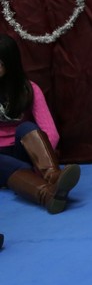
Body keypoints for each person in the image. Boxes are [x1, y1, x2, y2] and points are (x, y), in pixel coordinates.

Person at [0, 34, 81, 214]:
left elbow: (50, 132)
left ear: (10, 64)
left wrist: (38, 165)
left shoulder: (28, 89)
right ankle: (47, 195)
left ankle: (53, 177)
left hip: (23, 154)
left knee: (26, 127)